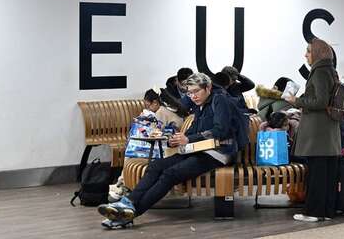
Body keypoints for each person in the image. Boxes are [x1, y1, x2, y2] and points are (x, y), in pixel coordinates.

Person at [98, 73, 241, 229]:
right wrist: (179, 138)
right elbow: (196, 128)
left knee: (170, 174)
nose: (193, 96)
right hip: (198, 149)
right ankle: (128, 202)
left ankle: (129, 214)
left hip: (217, 153)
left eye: (196, 91)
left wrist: (189, 139)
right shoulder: (201, 104)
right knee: (156, 166)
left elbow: (221, 130)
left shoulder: (220, 100)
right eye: (190, 92)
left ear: (208, 88)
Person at [284, 38, 341, 222]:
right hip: (329, 131)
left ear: (316, 53)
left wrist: (296, 101)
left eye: (308, 51)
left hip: (318, 132)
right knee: (326, 174)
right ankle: (326, 211)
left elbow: (320, 101)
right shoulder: (331, 70)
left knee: (316, 174)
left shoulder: (318, 72)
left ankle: (313, 212)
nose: (306, 55)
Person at [108, 88, 187, 202]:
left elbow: (155, 133)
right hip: (171, 147)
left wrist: (144, 121)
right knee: (131, 153)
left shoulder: (161, 112)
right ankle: (122, 185)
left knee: (130, 154)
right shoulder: (172, 108)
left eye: (148, 105)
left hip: (168, 151)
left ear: (155, 102)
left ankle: (122, 186)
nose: (147, 108)